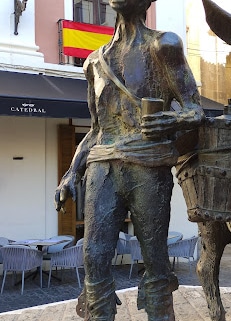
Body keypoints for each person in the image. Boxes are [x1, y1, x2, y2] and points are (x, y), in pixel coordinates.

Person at [54, 0, 204, 320]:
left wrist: (171, 121)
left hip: (148, 166)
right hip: (102, 165)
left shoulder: (164, 45)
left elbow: (195, 109)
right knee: (94, 256)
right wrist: (71, 173)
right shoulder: (93, 62)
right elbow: (96, 130)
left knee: (155, 259)